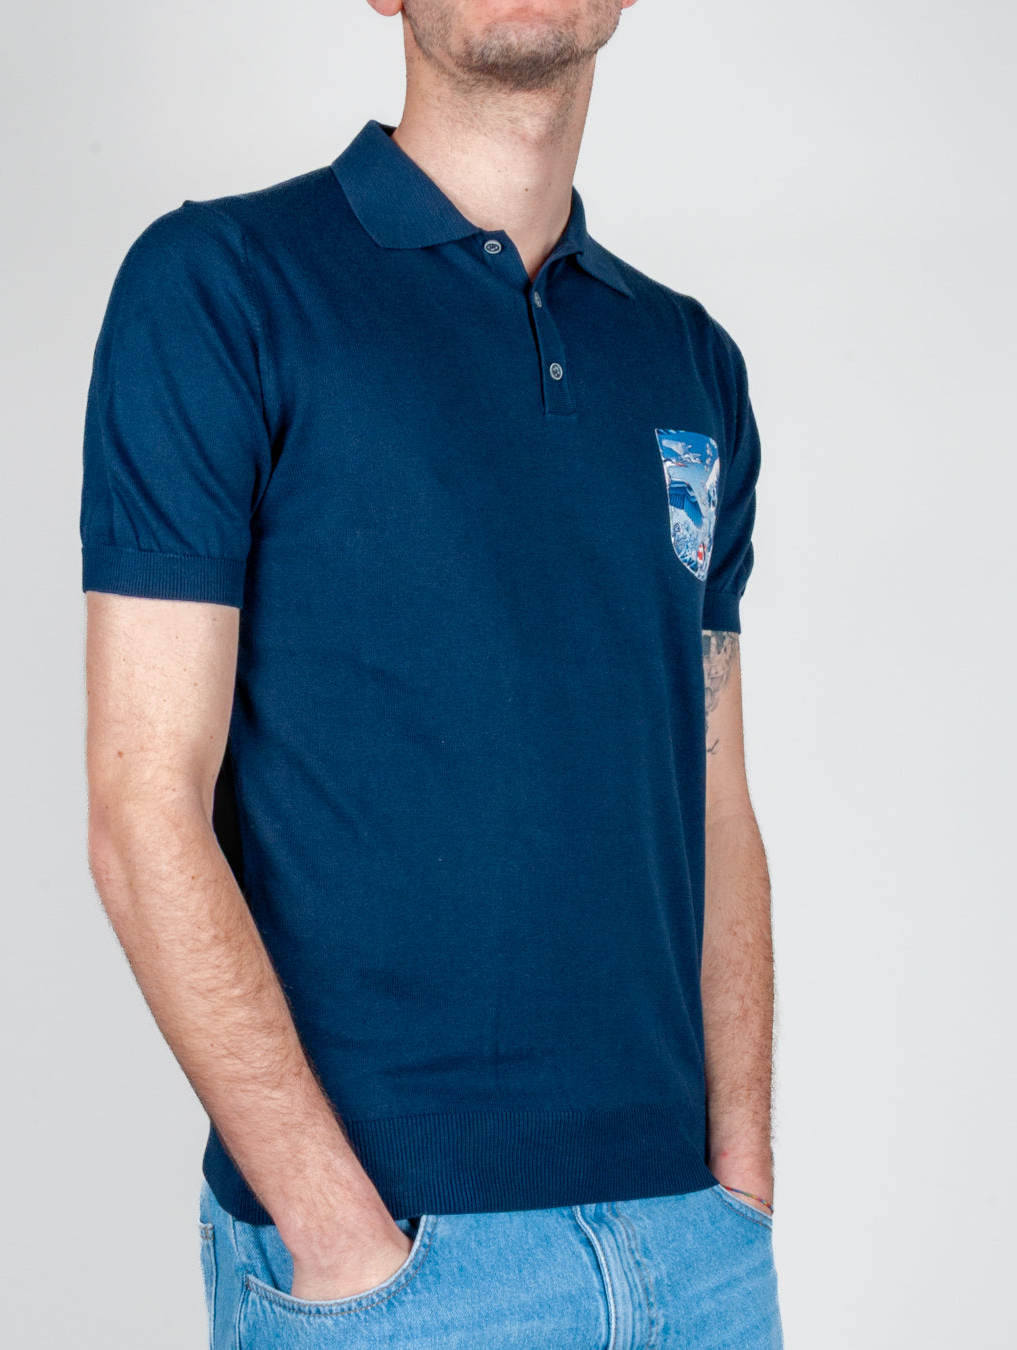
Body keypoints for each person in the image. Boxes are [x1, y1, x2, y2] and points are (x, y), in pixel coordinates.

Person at [80, 1, 784, 1344]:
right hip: (395, 1265)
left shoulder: (692, 362)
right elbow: (142, 803)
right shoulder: (221, 286)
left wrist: (738, 1183)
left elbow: (715, 796)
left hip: (693, 1257)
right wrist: (340, 1235)